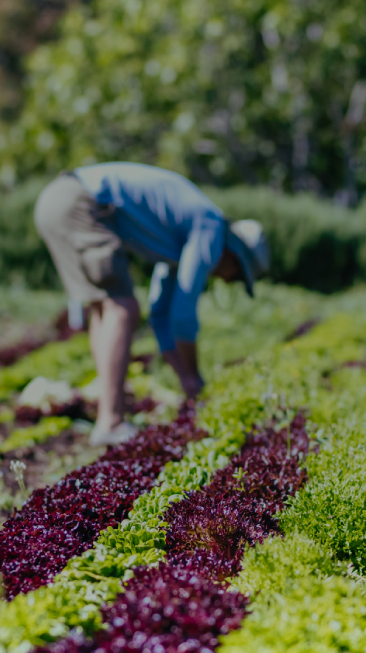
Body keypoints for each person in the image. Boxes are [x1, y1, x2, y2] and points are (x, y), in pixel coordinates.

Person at [34, 163, 269, 445]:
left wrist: (185, 379)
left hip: (58, 200)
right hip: (80, 202)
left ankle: (108, 415)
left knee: (104, 307)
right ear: (235, 256)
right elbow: (182, 315)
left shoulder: (184, 238)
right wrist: (194, 377)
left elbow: (160, 316)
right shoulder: (211, 227)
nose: (230, 281)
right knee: (122, 308)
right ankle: (110, 422)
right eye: (238, 276)